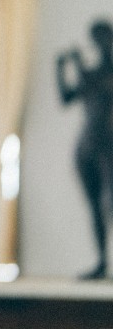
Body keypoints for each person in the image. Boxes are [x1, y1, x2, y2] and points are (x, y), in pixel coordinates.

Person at [57, 18, 113, 279]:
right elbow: (66, 98)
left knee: (109, 201)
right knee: (94, 206)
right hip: (87, 145)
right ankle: (102, 262)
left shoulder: (102, 74)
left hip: (108, 144)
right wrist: (60, 69)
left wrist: (79, 67)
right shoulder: (90, 73)